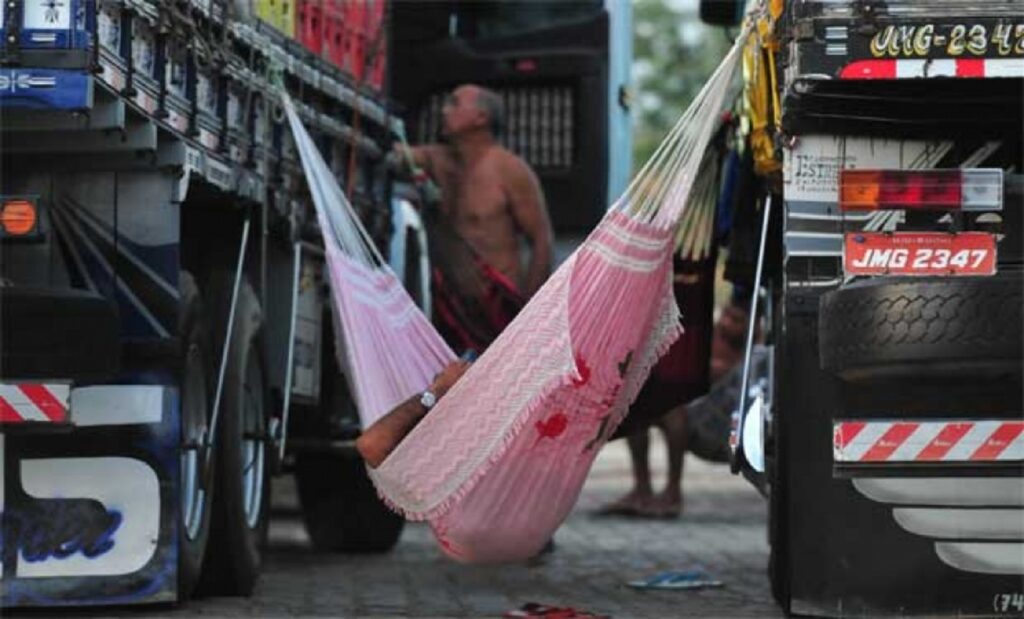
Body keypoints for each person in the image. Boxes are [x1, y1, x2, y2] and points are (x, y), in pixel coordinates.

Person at [398, 84, 554, 352]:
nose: (444, 111)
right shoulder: (437, 160)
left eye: (455, 104)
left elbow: (542, 241)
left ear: (481, 118)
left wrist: (526, 313)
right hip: (450, 314)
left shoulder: (509, 169)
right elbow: (398, 154)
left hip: (497, 317)